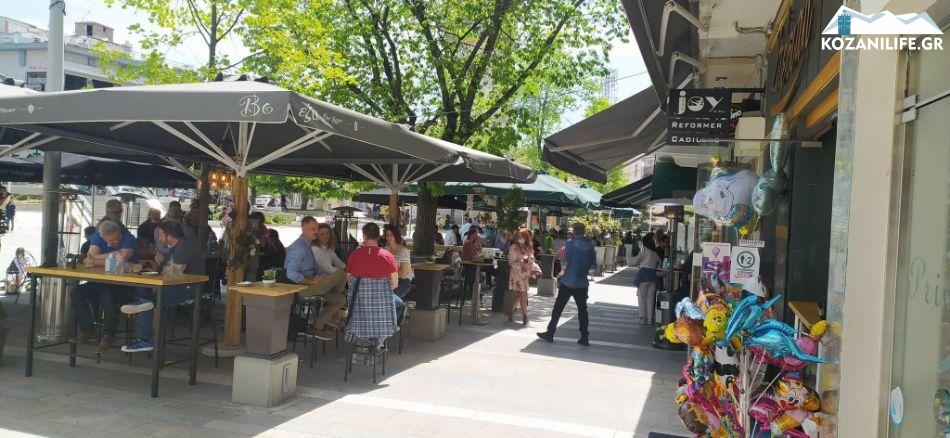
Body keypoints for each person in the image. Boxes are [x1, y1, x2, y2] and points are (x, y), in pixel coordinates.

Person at [120, 221, 204, 352]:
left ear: (169, 236)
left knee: (148, 301)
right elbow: (165, 270)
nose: (158, 238)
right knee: (144, 293)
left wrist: (160, 268)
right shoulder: (175, 247)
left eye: (160, 235)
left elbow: (173, 273)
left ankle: (144, 338)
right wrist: (159, 262)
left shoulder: (185, 246)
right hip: (175, 286)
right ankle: (141, 310)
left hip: (188, 290)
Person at [69, 220, 137, 352]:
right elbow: (89, 260)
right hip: (102, 280)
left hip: (125, 283)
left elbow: (123, 258)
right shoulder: (97, 237)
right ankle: (87, 330)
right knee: (76, 292)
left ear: (120, 232)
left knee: (108, 295)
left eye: (117, 238)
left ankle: (109, 335)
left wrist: (98, 258)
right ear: (102, 237)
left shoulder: (128, 238)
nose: (115, 242)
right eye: (111, 241)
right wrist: (114, 254)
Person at [284, 216, 348, 340]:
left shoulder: (308, 246)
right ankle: (331, 318)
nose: (316, 232)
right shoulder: (299, 248)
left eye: (316, 228)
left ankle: (317, 327)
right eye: (313, 229)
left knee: (340, 299)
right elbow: (291, 273)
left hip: (314, 284)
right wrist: (311, 281)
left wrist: (323, 276)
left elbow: (317, 269)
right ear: (303, 228)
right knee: (342, 273)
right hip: (303, 288)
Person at [537, 223, 597, 345]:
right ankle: (584, 337)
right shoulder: (590, 246)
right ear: (584, 232)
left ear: (574, 231)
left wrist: (563, 271)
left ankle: (550, 333)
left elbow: (565, 263)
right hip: (582, 283)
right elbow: (593, 266)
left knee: (558, 309)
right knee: (582, 311)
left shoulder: (570, 244)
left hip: (568, 281)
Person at [345, 223, 399, 346]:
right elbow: (395, 283)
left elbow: (349, 280)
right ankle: (378, 342)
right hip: (381, 311)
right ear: (379, 237)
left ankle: (361, 341)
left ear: (364, 236)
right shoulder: (387, 256)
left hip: (360, 309)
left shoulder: (354, 254)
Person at [507, 228, 541, 326]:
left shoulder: (528, 248)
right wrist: (524, 266)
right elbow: (512, 263)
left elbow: (531, 261)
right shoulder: (513, 247)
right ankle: (525, 317)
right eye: (518, 236)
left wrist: (537, 269)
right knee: (523, 294)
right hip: (517, 275)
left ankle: (511, 312)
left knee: (520, 295)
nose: (520, 238)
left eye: (522, 236)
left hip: (525, 275)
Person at [383, 224, 413, 323]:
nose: (389, 237)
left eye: (391, 235)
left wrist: (390, 267)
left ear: (396, 235)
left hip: (403, 282)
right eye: (387, 235)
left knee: (390, 298)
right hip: (389, 280)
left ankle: (396, 319)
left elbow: (403, 273)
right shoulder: (386, 249)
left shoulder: (404, 251)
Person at [629, 234, 661, 325]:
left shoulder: (644, 251)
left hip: (643, 277)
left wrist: (627, 259)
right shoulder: (655, 253)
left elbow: (634, 262)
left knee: (642, 298)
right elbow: (660, 263)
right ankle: (650, 319)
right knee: (651, 298)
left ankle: (643, 318)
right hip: (653, 277)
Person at [460, 228, 482, 303]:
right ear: (472, 234)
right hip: (467, 268)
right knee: (479, 277)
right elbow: (473, 256)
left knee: (479, 276)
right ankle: (473, 295)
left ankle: (473, 294)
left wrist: (478, 241)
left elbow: (480, 250)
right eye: (476, 234)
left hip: (471, 266)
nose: (477, 235)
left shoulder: (472, 243)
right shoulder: (468, 243)